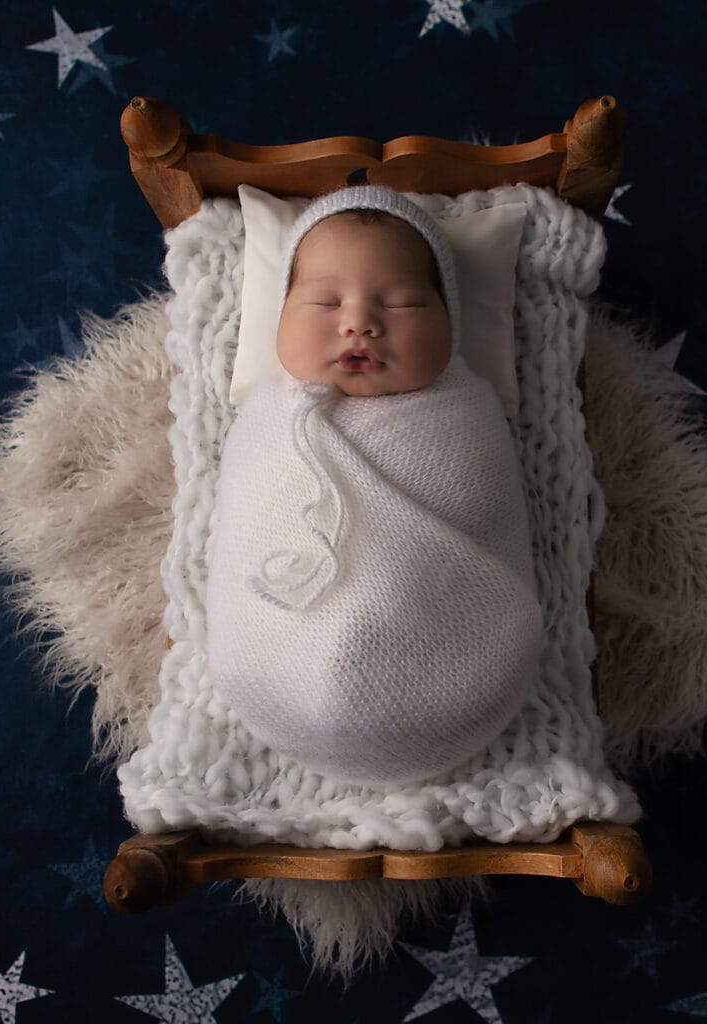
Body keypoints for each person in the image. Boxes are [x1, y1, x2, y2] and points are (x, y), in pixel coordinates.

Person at [205, 186, 543, 787]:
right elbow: (247, 523)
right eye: (324, 301)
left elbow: (486, 513)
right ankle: (293, 686)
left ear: (450, 323)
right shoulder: (267, 419)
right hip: (283, 663)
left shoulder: (465, 416)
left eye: (404, 303)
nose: (359, 322)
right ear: (278, 317)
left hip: (449, 645)